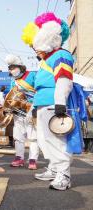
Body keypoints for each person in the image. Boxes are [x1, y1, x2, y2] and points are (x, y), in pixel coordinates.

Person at [22, 12, 77, 190]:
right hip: (43, 104)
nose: (34, 48)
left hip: (54, 103)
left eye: (35, 44)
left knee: (56, 141)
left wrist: (60, 102)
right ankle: (54, 169)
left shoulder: (61, 55)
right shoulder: (46, 60)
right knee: (44, 140)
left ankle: (64, 175)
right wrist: (34, 108)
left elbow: (64, 79)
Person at [5, 54, 39, 170]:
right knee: (18, 137)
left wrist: (35, 106)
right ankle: (19, 158)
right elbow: (10, 95)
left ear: (21, 67)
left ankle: (33, 160)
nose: (11, 70)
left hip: (31, 110)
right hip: (18, 112)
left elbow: (39, 91)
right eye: (10, 68)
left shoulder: (33, 75)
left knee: (33, 137)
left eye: (13, 67)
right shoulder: (13, 81)